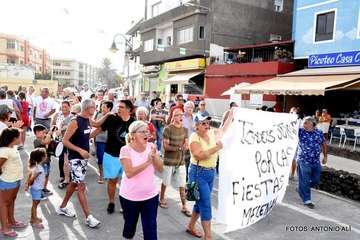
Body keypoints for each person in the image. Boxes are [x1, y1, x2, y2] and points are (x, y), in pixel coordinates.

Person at [186, 110, 233, 240]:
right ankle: (208, 236)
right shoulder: (194, 137)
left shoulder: (212, 133)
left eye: (208, 123)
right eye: (203, 123)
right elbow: (199, 155)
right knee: (205, 204)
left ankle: (191, 226)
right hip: (197, 173)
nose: (207, 126)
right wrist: (217, 148)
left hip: (211, 173)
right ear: (196, 125)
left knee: (199, 202)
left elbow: (224, 128)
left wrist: (232, 113)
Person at [57, 99, 101, 228]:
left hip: (83, 159)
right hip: (75, 158)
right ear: (88, 108)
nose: (95, 110)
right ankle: (89, 217)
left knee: (75, 182)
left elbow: (91, 132)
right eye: (94, 107)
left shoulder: (88, 120)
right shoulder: (75, 121)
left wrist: (106, 120)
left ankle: (62, 207)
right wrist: (80, 150)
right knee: (80, 186)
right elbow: (65, 141)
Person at [119, 121, 163, 240]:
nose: (146, 134)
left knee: (151, 229)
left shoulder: (152, 147)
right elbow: (129, 173)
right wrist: (148, 162)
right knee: (130, 228)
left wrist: (154, 157)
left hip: (150, 196)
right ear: (133, 135)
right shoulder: (125, 150)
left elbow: (160, 169)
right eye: (142, 131)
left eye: (147, 131)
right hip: (130, 197)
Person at [93, 100, 135, 214]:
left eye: (121, 107)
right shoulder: (112, 118)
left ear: (128, 110)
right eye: (118, 106)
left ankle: (124, 203)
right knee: (112, 181)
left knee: (126, 181)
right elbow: (98, 129)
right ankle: (111, 202)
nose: (118, 109)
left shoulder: (133, 122)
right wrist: (84, 139)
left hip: (127, 157)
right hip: (111, 155)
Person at [159, 108, 191, 216]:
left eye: (182, 115)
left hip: (181, 161)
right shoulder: (168, 129)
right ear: (173, 116)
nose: (181, 117)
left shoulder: (185, 129)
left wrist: (184, 147)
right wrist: (179, 148)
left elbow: (186, 144)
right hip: (169, 161)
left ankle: (184, 206)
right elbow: (166, 146)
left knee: (182, 184)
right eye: (178, 115)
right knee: (166, 182)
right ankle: (162, 198)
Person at [296, 116, 327, 209]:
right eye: (303, 123)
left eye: (305, 123)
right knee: (305, 180)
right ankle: (307, 200)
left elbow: (324, 144)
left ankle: (301, 188)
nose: (303, 124)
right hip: (303, 160)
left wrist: (325, 156)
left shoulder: (319, 132)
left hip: (315, 161)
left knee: (316, 180)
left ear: (312, 124)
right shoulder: (300, 132)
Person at [0, 128, 26, 237]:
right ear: (14, 138)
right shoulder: (4, 151)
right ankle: (5, 228)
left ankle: (12, 221)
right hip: (7, 181)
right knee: (4, 203)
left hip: (15, 180)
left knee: (11, 201)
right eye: (19, 136)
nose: (20, 137)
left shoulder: (12, 147)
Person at [24, 148, 47, 229]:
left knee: (35, 204)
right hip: (36, 189)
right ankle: (34, 222)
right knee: (35, 205)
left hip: (37, 188)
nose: (46, 156)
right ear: (41, 157)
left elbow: (30, 175)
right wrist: (28, 184)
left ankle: (33, 218)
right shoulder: (38, 169)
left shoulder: (37, 166)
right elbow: (32, 177)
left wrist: (27, 184)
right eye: (45, 155)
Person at [51, 101, 72, 188]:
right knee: (61, 159)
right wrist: (54, 129)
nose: (63, 108)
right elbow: (53, 124)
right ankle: (62, 176)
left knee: (68, 160)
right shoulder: (58, 115)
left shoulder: (72, 117)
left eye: (65, 107)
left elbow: (70, 126)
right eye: (62, 106)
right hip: (59, 140)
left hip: (69, 141)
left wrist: (62, 129)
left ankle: (69, 177)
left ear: (69, 107)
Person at [94, 101, 113, 184]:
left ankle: (108, 174)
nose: (102, 108)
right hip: (100, 139)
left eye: (104, 107)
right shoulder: (99, 115)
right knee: (100, 158)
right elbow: (96, 126)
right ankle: (101, 175)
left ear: (109, 108)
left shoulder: (112, 117)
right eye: (102, 106)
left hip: (110, 141)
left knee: (108, 158)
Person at [33, 124, 53, 196]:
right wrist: (49, 134)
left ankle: (44, 188)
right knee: (41, 177)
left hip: (47, 161)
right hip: (41, 163)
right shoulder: (37, 141)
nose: (45, 134)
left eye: (45, 133)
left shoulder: (43, 138)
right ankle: (40, 192)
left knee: (47, 175)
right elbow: (46, 142)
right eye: (43, 133)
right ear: (37, 133)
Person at [182, 101, 196, 180]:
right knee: (183, 160)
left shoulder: (195, 118)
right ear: (184, 108)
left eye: (191, 107)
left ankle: (188, 177)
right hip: (183, 142)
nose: (190, 109)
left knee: (191, 160)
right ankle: (183, 175)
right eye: (188, 107)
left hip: (193, 142)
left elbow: (198, 129)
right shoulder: (181, 117)